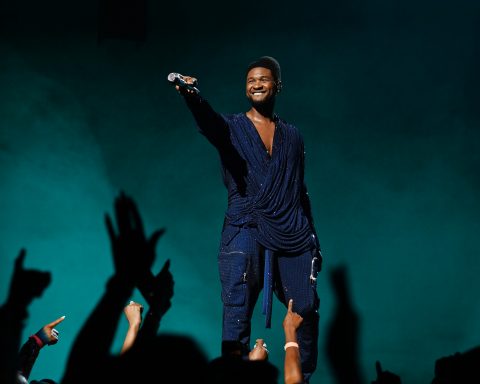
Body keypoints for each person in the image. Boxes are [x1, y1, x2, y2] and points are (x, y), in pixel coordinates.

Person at [173, 55, 323, 381]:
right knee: (237, 311)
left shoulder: (293, 136)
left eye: (264, 79)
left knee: (307, 310)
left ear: (277, 86)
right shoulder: (232, 128)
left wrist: (315, 241)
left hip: (292, 230)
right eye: (251, 80)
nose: (256, 84)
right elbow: (208, 122)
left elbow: (300, 191)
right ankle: (234, 378)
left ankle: (301, 378)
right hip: (246, 226)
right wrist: (192, 96)